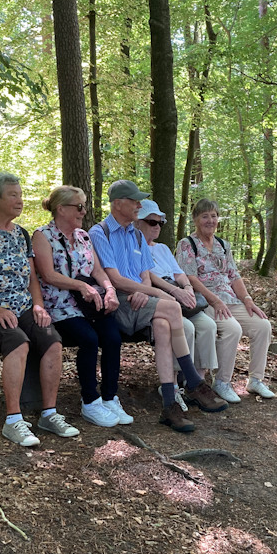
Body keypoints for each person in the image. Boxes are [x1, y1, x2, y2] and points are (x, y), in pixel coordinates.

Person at [88, 180, 228, 433]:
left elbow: (144, 273)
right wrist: (156, 293)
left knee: (163, 326)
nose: (138, 205)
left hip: (141, 300)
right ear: (118, 204)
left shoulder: (135, 234)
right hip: (117, 301)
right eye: (134, 201)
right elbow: (116, 279)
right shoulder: (100, 233)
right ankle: (194, 381)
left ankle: (168, 405)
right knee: (173, 307)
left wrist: (145, 292)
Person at [0, 172, 79, 447]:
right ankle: (13, 420)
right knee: (17, 341)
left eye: (21, 195)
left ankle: (49, 414)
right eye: (13, 195)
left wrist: (38, 305)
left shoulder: (22, 235)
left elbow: (33, 278)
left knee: (52, 341)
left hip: (21, 306)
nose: (20, 200)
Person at [32, 185, 133, 428]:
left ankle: (109, 397)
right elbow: (47, 275)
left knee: (112, 337)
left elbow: (97, 270)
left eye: (84, 206)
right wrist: (80, 286)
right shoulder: (42, 235)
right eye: (78, 207)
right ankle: (90, 401)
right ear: (61, 209)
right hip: (59, 306)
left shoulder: (84, 236)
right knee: (88, 339)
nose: (83, 212)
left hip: (90, 304)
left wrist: (109, 290)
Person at [176, 198, 276, 402]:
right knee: (232, 329)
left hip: (230, 299)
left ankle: (256, 379)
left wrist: (248, 300)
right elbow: (190, 278)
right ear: (196, 219)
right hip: (204, 301)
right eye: (205, 216)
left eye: (214, 216)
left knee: (262, 325)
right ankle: (222, 382)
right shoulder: (187, 245)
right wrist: (214, 300)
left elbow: (234, 276)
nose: (210, 220)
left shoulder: (223, 245)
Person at [133, 199, 218, 412]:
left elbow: (178, 272)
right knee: (186, 328)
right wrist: (174, 291)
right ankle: (175, 382)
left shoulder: (162, 248)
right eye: (151, 222)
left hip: (179, 294)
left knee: (208, 326)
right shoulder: (134, 247)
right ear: (138, 223)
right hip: (161, 294)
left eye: (160, 222)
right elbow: (148, 275)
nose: (156, 227)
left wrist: (188, 287)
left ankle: (198, 381)